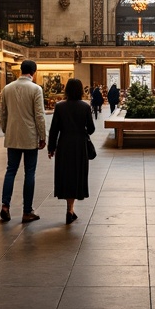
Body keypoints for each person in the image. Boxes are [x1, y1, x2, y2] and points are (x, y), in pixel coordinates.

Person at [0, 59, 46, 222]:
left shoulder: (7, 88)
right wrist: (43, 136)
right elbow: (39, 115)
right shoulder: (36, 89)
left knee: (10, 170)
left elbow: (2, 113)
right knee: (29, 172)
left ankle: (5, 205)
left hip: (13, 136)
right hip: (30, 136)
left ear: (21, 70)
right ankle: (27, 211)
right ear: (33, 72)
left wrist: (6, 130)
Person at [48, 78, 96, 224]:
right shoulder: (85, 107)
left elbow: (54, 130)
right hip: (80, 145)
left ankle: (69, 208)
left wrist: (51, 147)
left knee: (66, 174)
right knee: (77, 174)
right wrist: (82, 130)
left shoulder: (60, 107)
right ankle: (70, 209)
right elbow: (92, 128)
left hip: (64, 144)